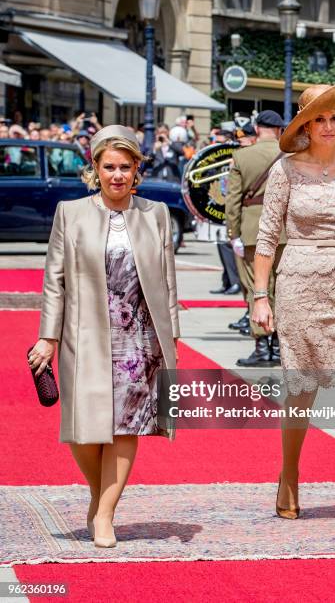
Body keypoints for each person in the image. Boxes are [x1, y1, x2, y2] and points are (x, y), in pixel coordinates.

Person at [28, 125, 180, 548]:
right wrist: (48, 337)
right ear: (95, 168)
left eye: (125, 167)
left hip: (140, 337)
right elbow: (54, 280)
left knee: (128, 423)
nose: (117, 175)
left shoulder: (156, 214)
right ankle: (99, 497)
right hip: (85, 331)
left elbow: (167, 280)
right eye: (109, 166)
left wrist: (173, 341)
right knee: (84, 428)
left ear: (137, 170)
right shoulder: (70, 213)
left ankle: (105, 515)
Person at [252, 80, 335, 529]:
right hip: (299, 281)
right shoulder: (286, 169)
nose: (328, 126)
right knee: (301, 390)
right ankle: (290, 474)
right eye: (319, 118)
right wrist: (259, 296)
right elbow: (267, 236)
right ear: (305, 124)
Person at [226, 109, 285, 366]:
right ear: (280, 130)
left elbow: (232, 200)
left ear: (257, 128)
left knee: (256, 287)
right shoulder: (290, 157)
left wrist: (233, 233)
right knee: (283, 288)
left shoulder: (241, 156)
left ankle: (262, 348)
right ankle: (282, 348)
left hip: (253, 230)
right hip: (284, 231)